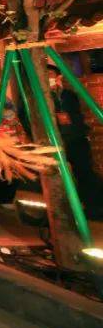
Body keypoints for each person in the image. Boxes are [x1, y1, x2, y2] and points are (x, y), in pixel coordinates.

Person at [50, 66, 103, 218]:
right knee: (58, 176)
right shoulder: (40, 96)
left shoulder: (68, 95)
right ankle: (66, 211)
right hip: (56, 140)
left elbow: (76, 115)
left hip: (75, 138)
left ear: (59, 77)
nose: (49, 78)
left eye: (51, 75)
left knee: (85, 171)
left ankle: (94, 207)